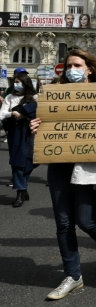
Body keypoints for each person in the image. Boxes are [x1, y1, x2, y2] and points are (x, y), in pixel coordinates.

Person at [29, 49, 96, 300]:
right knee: (63, 223)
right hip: (59, 164)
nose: (72, 69)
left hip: (88, 167)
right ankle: (73, 275)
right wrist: (36, 127)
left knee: (86, 220)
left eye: (77, 64)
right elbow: (46, 127)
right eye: (69, 65)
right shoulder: (53, 95)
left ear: (88, 69)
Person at [0, 71, 37, 207]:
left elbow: (41, 114)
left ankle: (23, 185)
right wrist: (13, 113)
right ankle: (20, 191)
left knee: (30, 160)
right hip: (15, 132)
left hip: (31, 132)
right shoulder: (10, 97)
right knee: (17, 162)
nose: (16, 84)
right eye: (14, 82)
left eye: (18, 82)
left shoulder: (35, 97)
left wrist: (26, 115)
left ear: (25, 83)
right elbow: (2, 114)